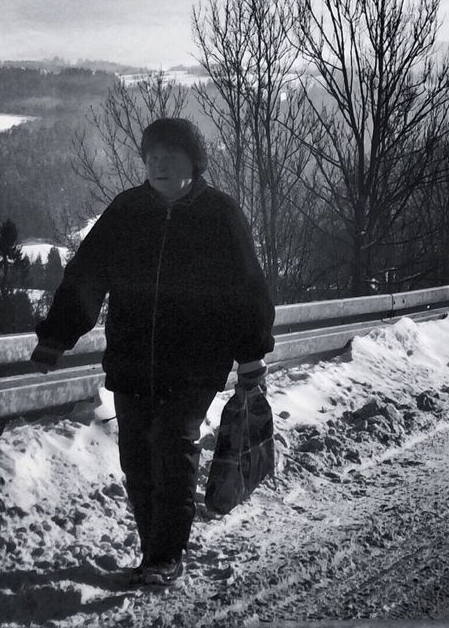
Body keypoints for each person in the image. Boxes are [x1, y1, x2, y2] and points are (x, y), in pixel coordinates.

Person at [31, 117, 274, 586]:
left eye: (169, 156)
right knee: (137, 457)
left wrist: (251, 356)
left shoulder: (220, 215)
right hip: (132, 360)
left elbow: (247, 289)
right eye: (151, 157)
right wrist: (56, 336)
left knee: (172, 441)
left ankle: (166, 555)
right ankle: (152, 551)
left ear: (193, 163)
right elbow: (86, 276)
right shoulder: (127, 211)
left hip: (196, 364)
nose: (158, 165)